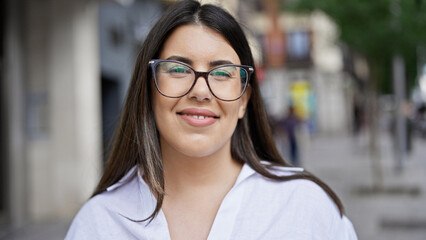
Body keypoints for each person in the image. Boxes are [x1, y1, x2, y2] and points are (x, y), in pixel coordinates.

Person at [65, 1, 357, 239]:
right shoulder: (98, 223)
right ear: (149, 89)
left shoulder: (307, 208)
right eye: (178, 69)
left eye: (221, 73)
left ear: (244, 100)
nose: (201, 91)